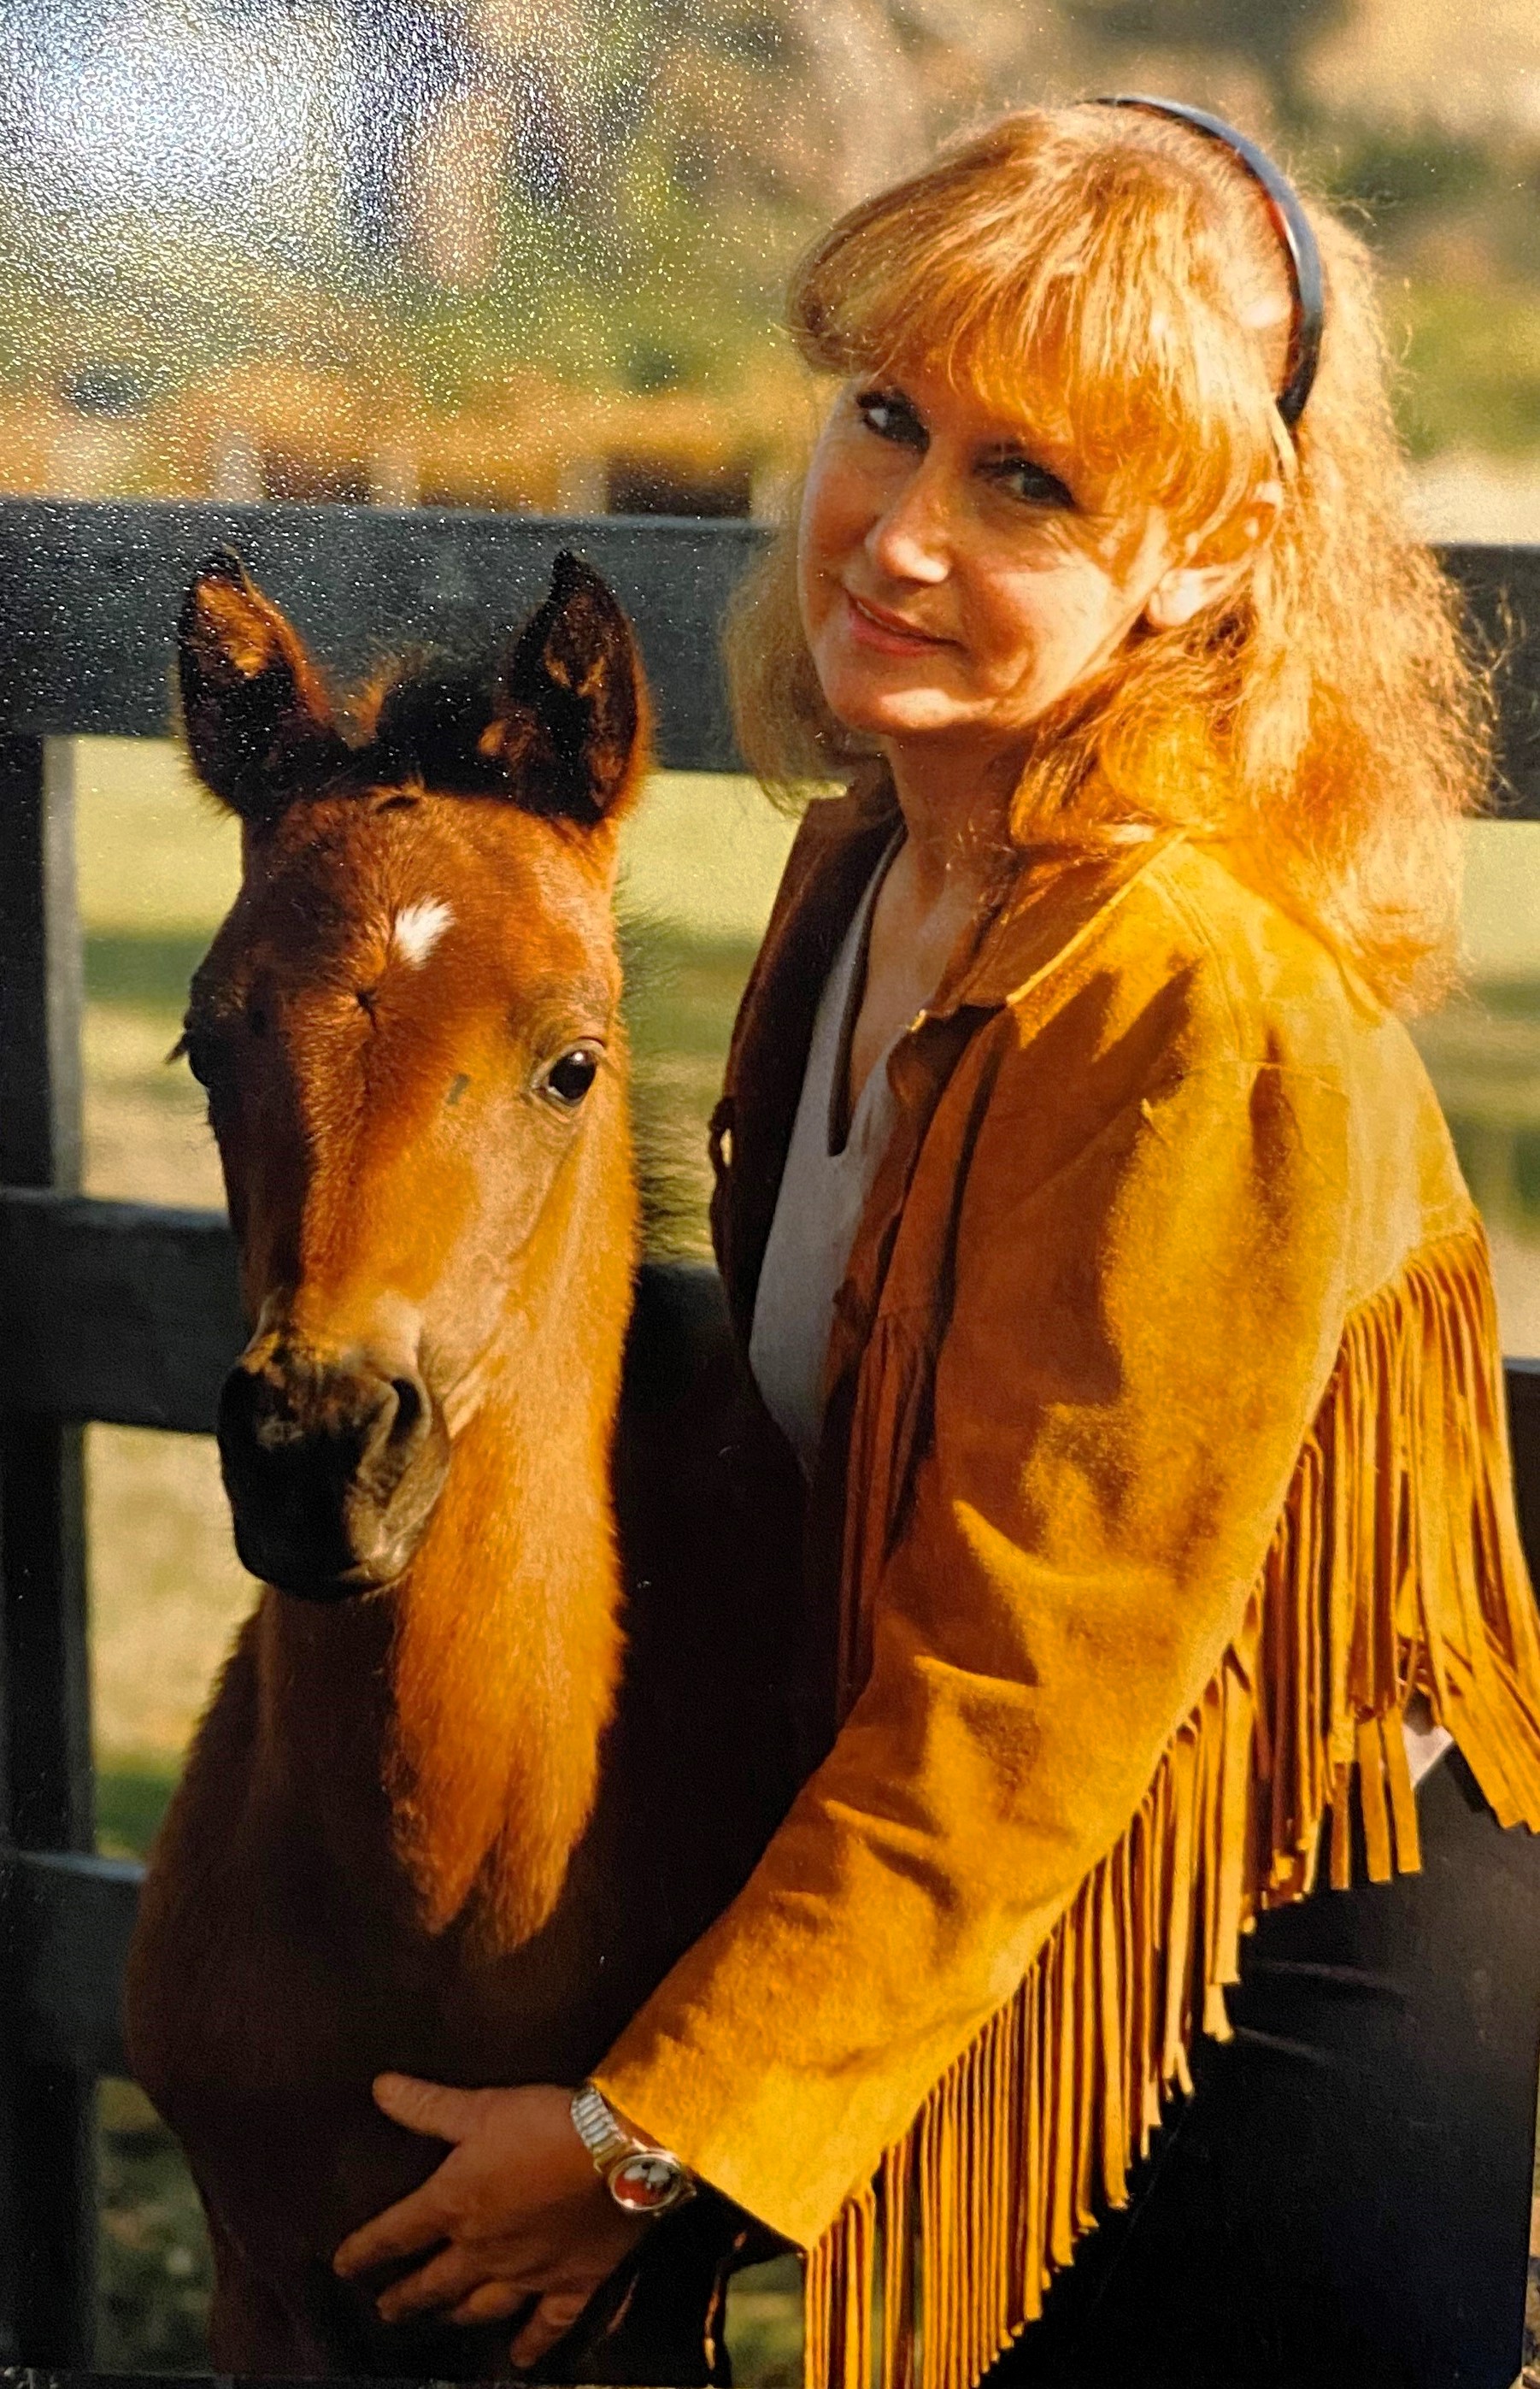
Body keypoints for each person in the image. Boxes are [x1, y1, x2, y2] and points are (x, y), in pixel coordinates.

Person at [332, 99, 1540, 2389]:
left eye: (1030, 483)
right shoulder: (873, 865)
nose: (892, 530)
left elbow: (1024, 1692)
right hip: (1029, 1955)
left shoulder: (1194, 1011)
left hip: (1264, 2005)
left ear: (1202, 558)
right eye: (888, 416)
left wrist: (633, 2147)